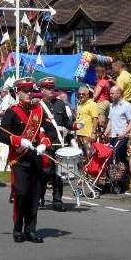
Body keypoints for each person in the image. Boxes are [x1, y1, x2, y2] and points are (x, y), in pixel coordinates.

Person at [0, 77, 51, 243]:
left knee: (34, 196)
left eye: (31, 91)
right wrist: (18, 140)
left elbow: (46, 131)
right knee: (21, 193)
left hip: (35, 157)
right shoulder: (12, 112)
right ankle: (17, 228)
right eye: (26, 92)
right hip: (19, 159)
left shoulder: (38, 111)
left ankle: (31, 230)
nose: (29, 94)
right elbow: (1, 135)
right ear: (18, 92)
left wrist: (44, 143)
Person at [38, 77, 77, 212]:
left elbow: (67, 123)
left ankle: (57, 201)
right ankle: (40, 196)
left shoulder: (60, 104)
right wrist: (42, 141)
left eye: (52, 88)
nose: (51, 91)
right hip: (46, 144)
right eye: (48, 88)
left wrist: (76, 126)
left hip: (60, 144)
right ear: (42, 90)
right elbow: (36, 126)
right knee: (45, 172)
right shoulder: (38, 106)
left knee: (59, 174)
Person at [104, 85, 131, 192]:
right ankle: (114, 181)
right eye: (110, 93)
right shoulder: (111, 105)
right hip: (113, 136)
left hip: (122, 136)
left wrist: (124, 133)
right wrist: (106, 131)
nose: (111, 95)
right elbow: (110, 120)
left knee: (118, 155)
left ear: (119, 93)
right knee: (112, 158)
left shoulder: (126, 105)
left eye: (113, 93)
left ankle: (121, 182)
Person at [75, 86, 98, 154]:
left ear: (88, 95)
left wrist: (93, 133)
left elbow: (95, 119)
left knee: (89, 154)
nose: (81, 95)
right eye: (79, 94)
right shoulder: (80, 105)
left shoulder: (92, 104)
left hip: (87, 135)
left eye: (83, 94)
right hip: (79, 134)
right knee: (82, 155)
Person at [93, 65, 111, 129]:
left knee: (99, 124)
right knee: (105, 125)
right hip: (107, 102)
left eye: (96, 72)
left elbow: (95, 96)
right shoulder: (107, 82)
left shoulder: (101, 82)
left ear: (99, 73)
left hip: (101, 102)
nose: (95, 74)